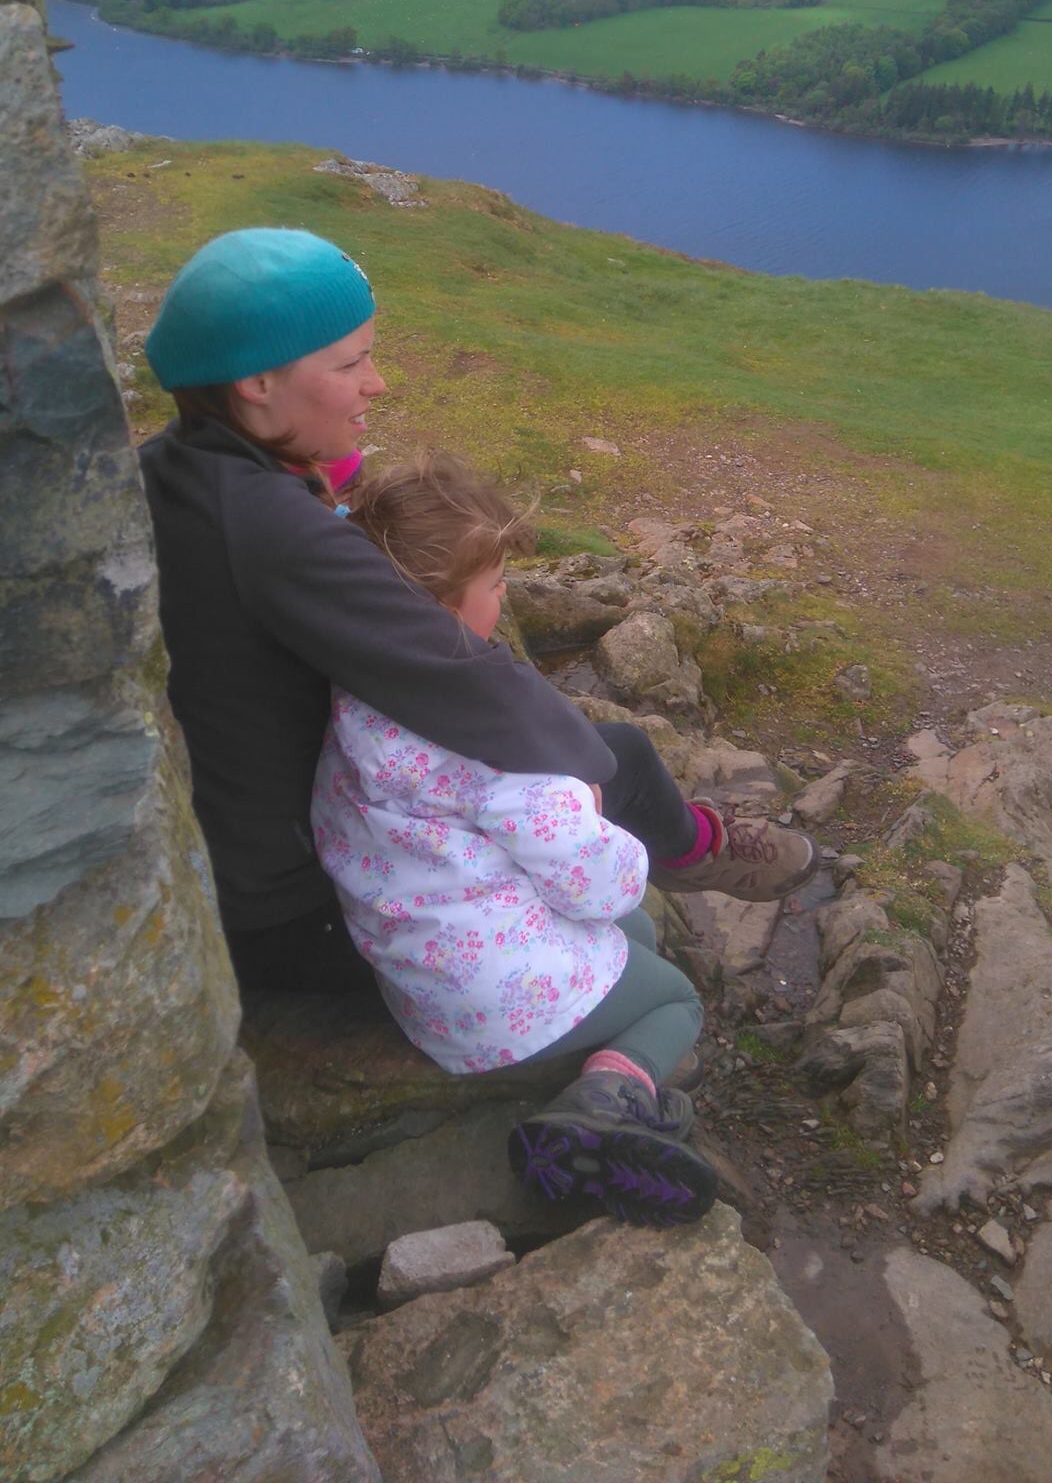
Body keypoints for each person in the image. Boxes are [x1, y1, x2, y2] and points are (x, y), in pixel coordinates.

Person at [140, 226, 818, 1002]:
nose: (377, 383)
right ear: (257, 382)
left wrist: (325, 469)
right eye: (351, 363)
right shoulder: (274, 531)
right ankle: (693, 855)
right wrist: (574, 770)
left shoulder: (178, 470)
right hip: (313, 898)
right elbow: (455, 670)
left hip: (253, 854)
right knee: (615, 759)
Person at [311, 452, 719, 1226]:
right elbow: (596, 883)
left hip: (424, 978)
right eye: (495, 586)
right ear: (440, 608)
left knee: (632, 936)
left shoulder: (358, 696)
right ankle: (603, 1105)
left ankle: (593, 1070)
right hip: (497, 1003)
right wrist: (592, 815)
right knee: (674, 996)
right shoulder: (488, 732)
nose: (504, 598)